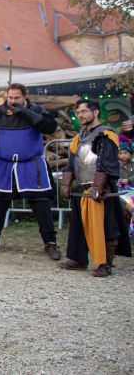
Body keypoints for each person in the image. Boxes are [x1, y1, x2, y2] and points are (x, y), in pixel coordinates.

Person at [0, 83, 61, 260]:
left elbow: (50, 127)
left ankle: (50, 243)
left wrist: (27, 114)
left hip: (31, 165)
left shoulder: (36, 111)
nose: (12, 101)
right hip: (4, 165)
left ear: (25, 97)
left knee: (41, 205)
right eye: (10, 98)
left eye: (16, 98)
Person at [58, 99, 131, 276]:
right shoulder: (78, 138)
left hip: (102, 189)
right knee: (79, 225)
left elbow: (104, 163)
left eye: (84, 112)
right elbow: (71, 164)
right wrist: (66, 184)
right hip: (83, 189)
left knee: (106, 226)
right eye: (78, 113)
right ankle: (79, 259)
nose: (80, 116)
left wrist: (97, 187)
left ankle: (105, 264)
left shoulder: (106, 134)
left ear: (95, 112)